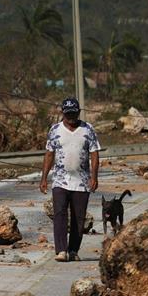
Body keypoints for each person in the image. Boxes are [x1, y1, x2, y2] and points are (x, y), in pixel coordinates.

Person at [40, 98, 100, 262]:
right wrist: (44, 178)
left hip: (81, 180)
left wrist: (94, 177)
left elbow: (94, 154)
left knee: (78, 217)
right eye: (68, 114)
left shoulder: (88, 129)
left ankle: (73, 249)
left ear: (78, 112)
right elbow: (49, 154)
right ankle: (61, 250)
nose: (71, 117)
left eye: (74, 113)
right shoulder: (55, 130)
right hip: (60, 179)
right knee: (59, 213)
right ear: (63, 114)